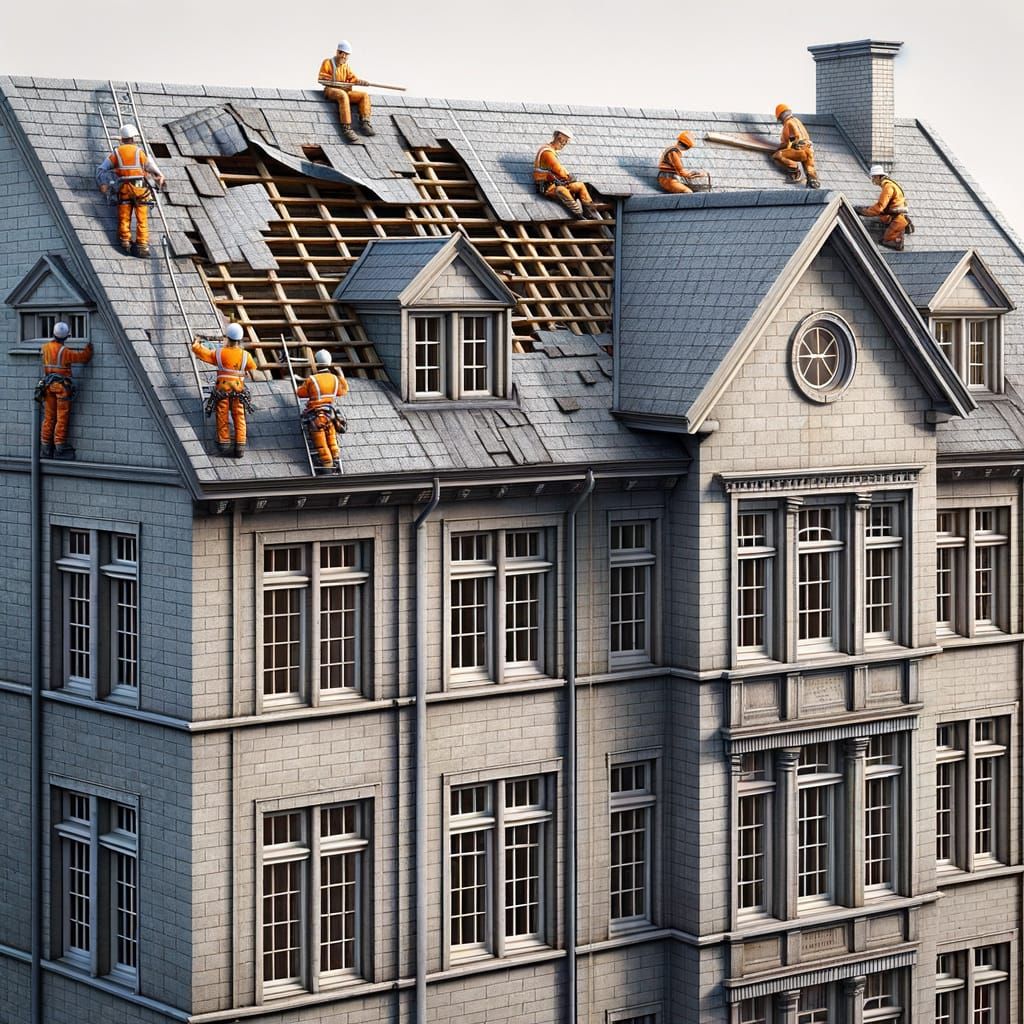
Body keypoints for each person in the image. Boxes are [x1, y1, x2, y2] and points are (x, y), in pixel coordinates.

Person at [96, 123, 166, 257]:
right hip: (139, 188)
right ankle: (142, 246)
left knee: (124, 217)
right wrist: (160, 176)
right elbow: (150, 167)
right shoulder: (139, 152)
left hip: (124, 188)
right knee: (142, 218)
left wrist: (103, 183)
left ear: (121, 139)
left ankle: (125, 242)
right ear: (133, 138)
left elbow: (101, 169)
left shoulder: (116, 153)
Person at [191, 323, 257, 458]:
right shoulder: (246, 356)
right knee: (239, 416)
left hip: (222, 390)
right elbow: (252, 367)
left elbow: (205, 354)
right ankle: (240, 446)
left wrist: (196, 345)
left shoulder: (220, 353)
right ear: (240, 339)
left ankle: (224, 443)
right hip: (239, 391)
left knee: (222, 415)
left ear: (228, 338)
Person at [35, 321, 93, 459]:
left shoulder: (45, 348)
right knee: (62, 417)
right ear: (67, 336)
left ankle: (45, 448)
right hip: (61, 388)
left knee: (49, 418)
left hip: (48, 386)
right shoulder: (64, 351)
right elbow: (83, 358)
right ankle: (60, 447)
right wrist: (89, 348)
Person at [296, 349, 349, 472]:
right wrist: (340, 374)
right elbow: (343, 390)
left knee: (321, 442)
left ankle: (327, 465)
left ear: (316, 362)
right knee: (331, 438)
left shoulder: (312, 379)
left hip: (316, 416)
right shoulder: (335, 379)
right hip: (331, 415)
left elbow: (300, 393)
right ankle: (336, 458)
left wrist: (299, 385)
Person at [533, 130, 599, 219]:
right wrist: (568, 177)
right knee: (562, 191)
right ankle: (578, 213)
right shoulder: (547, 153)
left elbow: (562, 170)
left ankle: (590, 212)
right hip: (546, 188)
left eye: (565, 143)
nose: (563, 145)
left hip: (555, 184)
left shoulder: (552, 151)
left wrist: (569, 177)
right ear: (557, 138)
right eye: (562, 142)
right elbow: (559, 170)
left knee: (580, 185)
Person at [318, 40, 373, 143]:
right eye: (341, 53)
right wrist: (333, 82)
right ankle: (346, 127)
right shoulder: (328, 63)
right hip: (331, 90)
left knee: (364, 95)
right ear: (337, 52)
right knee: (343, 95)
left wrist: (360, 82)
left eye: (346, 55)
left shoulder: (346, 67)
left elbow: (353, 79)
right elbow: (322, 78)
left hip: (344, 90)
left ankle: (365, 122)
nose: (343, 56)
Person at [856, 165, 914, 251]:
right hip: (895, 215)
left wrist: (863, 212)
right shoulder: (890, 184)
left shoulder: (888, 187)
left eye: (874, 177)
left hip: (897, 220)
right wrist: (868, 208)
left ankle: (899, 236)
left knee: (886, 240)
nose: (873, 180)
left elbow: (879, 208)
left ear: (879, 176)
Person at [771, 104, 820, 189]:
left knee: (777, 155)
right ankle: (812, 180)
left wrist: (777, 149)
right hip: (809, 149)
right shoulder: (798, 121)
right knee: (810, 168)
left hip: (799, 151)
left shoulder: (788, 123)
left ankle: (794, 170)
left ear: (781, 116)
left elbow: (785, 143)